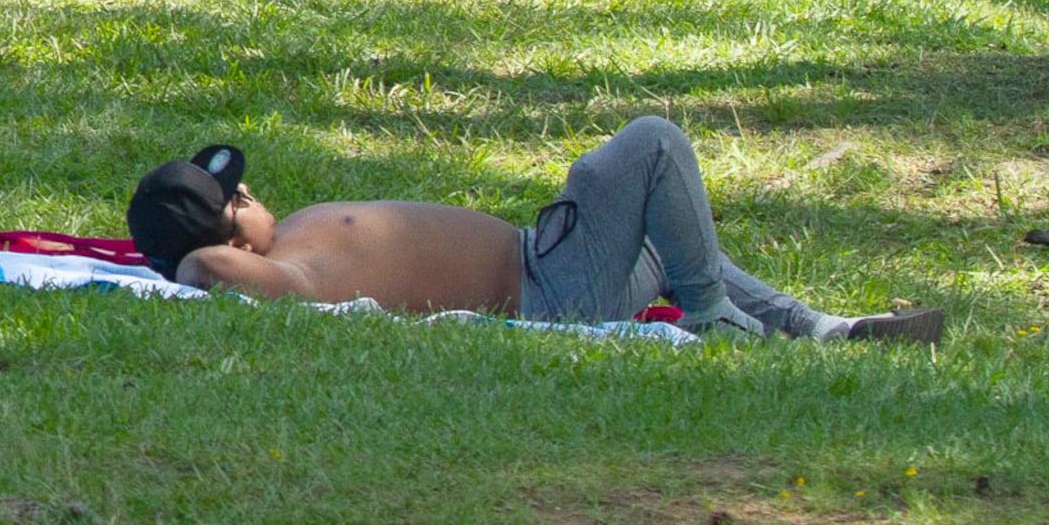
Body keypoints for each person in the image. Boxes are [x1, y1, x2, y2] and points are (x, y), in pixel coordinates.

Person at [127, 129, 945, 342]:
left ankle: (819, 329)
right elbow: (210, 275)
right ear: (230, 243)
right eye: (240, 199)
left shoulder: (285, 242)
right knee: (647, 146)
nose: (255, 196)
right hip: (550, 290)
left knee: (673, 239)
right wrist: (200, 258)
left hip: (549, 266)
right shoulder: (289, 269)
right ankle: (708, 313)